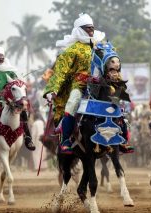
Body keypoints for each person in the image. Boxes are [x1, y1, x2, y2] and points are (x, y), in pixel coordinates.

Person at [43, 13, 105, 154]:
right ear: (80, 29)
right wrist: (53, 90)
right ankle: (66, 140)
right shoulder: (71, 50)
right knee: (71, 104)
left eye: (92, 28)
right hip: (80, 85)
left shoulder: (101, 46)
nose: (91, 30)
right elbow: (60, 71)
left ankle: (121, 138)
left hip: (100, 85)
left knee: (116, 103)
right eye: (88, 28)